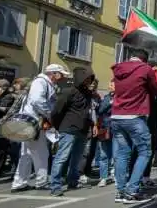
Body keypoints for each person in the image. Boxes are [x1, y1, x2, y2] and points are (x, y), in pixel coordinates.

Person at [111, 49, 157, 203]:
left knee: (122, 154)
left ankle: (120, 191)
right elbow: (155, 89)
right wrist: (154, 74)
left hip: (117, 116)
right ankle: (132, 191)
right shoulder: (145, 69)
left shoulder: (118, 68)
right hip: (135, 115)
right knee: (145, 152)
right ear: (144, 60)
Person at [12, 64, 69, 192]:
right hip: (35, 122)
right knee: (42, 153)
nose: (62, 78)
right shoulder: (41, 82)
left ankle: (19, 183)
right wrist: (49, 114)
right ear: (54, 73)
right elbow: (37, 100)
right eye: (61, 75)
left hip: (28, 122)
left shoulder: (42, 82)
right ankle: (41, 181)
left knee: (26, 154)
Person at [49, 68, 95, 197]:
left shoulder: (87, 94)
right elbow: (57, 111)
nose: (88, 81)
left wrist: (91, 126)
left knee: (77, 158)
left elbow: (87, 113)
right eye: (86, 79)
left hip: (82, 130)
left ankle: (73, 181)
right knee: (62, 157)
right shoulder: (68, 92)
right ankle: (55, 185)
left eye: (90, 79)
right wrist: (57, 126)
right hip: (68, 129)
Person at [96, 80, 115, 187]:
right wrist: (110, 103)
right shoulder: (107, 97)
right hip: (105, 128)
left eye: (112, 85)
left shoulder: (122, 97)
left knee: (116, 153)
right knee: (104, 154)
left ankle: (114, 173)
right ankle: (103, 177)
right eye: (110, 84)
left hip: (116, 129)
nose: (110, 86)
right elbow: (101, 110)